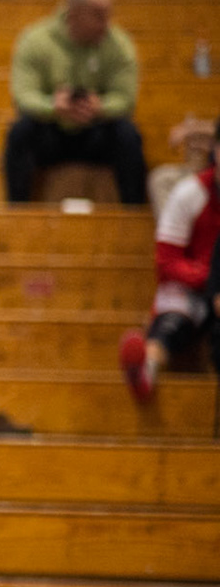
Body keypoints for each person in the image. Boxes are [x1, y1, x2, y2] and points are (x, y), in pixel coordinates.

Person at [3, 0, 147, 206]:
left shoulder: (119, 44)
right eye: (98, 15)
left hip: (96, 131)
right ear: (75, 12)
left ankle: (133, 212)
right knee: (20, 132)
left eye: (107, 14)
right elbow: (23, 96)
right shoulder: (35, 40)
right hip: (51, 131)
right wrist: (53, 106)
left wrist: (100, 107)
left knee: (127, 134)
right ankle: (16, 214)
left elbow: (126, 99)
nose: (105, 23)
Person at [120, 118, 219, 401]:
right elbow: (167, 262)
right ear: (215, 150)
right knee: (173, 314)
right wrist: (208, 279)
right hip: (195, 284)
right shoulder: (190, 193)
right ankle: (146, 368)